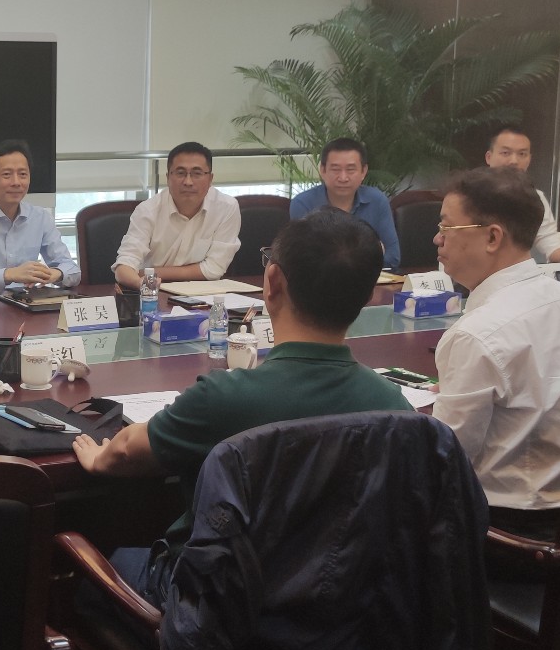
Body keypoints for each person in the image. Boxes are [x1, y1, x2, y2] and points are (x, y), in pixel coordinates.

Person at [72, 210, 412, 606]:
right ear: (369, 295)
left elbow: (127, 450)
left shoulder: (226, 398)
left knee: (92, 574)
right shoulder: (394, 406)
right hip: (342, 609)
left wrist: (98, 459)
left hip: (218, 610)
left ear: (272, 282)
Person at [431, 167, 560, 539]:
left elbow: (445, 461)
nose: (437, 238)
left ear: (492, 237)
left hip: (507, 531)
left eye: (447, 227)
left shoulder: (477, 333)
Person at [0, 139, 80, 295]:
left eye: (23, 174)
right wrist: (8, 274)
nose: (16, 182)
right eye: (7, 175)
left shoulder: (41, 218)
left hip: (26, 303)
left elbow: (72, 270)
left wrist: (54, 274)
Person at [112, 142, 241, 289]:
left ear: (210, 179)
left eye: (197, 173)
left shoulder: (227, 208)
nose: (188, 182)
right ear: (168, 177)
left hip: (203, 292)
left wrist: (149, 273)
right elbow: (124, 266)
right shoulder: (147, 211)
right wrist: (141, 283)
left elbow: (214, 269)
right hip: (153, 292)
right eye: (180, 173)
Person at [287, 138, 401, 270]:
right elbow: (302, 261)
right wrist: (370, 256)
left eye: (350, 170)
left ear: (363, 171)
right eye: (335, 169)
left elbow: (393, 257)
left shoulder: (377, 200)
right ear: (323, 170)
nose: (343, 178)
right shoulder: (303, 203)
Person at [484, 124, 560, 264]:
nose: (514, 161)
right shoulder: (466, 195)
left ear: (529, 159)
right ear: (489, 157)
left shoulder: (534, 198)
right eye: (506, 153)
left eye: (522, 154)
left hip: (517, 273)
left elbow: (550, 241)